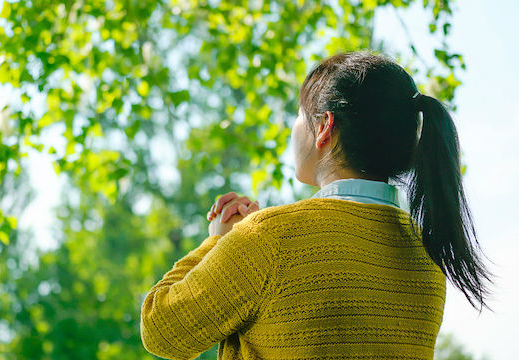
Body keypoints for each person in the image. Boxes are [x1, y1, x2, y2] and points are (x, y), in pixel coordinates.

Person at [140, 50, 495, 360]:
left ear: (324, 127)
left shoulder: (270, 239)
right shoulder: (428, 254)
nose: (293, 128)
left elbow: (161, 330)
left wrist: (218, 241)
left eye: (298, 115)